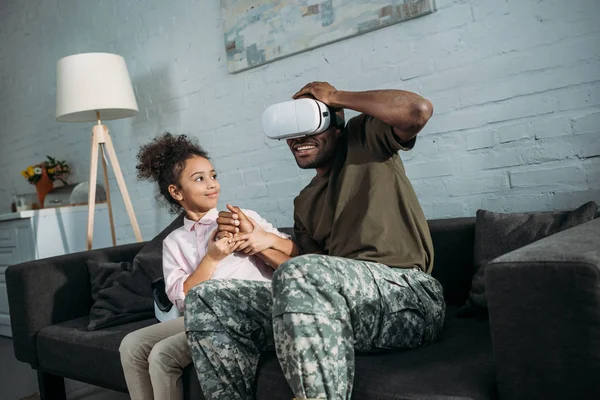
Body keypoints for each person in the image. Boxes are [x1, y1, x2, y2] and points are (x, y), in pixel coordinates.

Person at [184, 82, 446, 400]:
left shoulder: (365, 141)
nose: (298, 138)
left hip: (407, 296)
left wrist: (335, 97)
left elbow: (417, 111)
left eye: (309, 125)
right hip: (340, 305)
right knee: (208, 298)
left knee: (303, 274)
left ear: (335, 126)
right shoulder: (304, 202)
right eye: (291, 131)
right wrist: (258, 241)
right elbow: (301, 277)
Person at [119, 133, 293, 400]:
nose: (212, 185)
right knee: (131, 345)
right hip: (202, 316)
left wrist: (257, 240)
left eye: (213, 175)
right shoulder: (174, 242)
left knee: (162, 355)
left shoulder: (242, 219)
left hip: (251, 312)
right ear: (176, 192)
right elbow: (182, 299)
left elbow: (293, 258)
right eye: (199, 179)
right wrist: (211, 258)